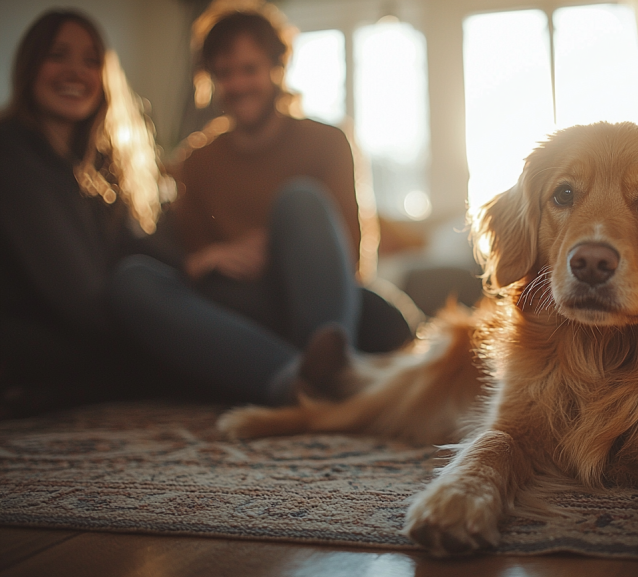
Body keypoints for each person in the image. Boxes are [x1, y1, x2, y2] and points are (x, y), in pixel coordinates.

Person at [110, 9, 412, 407]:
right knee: (132, 278)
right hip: (242, 308)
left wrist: (278, 248)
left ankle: (326, 358)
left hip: (320, 301)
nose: (237, 84)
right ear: (211, 81)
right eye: (224, 73)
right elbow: (195, 265)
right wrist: (211, 257)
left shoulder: (327, 140)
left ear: (277, 69)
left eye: (249, 69)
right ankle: (294, 378)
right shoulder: (197, 161)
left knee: (300, 200)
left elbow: (352, 257)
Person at [0, 10, 173, 416]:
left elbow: (139, 249)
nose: (75, 71)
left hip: (66, 333)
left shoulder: (92, 170)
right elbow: (81, 298)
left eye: (91, 60)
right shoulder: (12, 155)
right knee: (168, 359)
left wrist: (198, 273)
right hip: (21, 333)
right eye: (58, 55)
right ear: (30, 67)